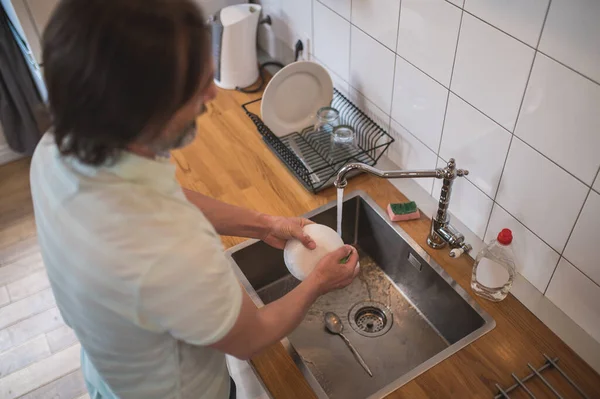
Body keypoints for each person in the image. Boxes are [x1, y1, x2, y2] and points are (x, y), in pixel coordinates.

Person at [29, 1, 360, 398]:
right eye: (196, 85)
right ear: (144, 106)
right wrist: (319, 282)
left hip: (111, 374)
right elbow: (250, 338)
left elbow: (165, 195)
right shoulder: (172, 246)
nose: (210, 95)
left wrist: (264, 223)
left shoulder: (57, 149)